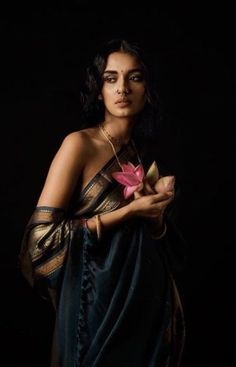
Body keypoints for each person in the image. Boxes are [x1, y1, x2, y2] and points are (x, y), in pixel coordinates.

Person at [19, 38, 186, 367]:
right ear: (99, 90)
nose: (123, 88)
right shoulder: (79, 145)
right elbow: (39, 241)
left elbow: (170, 251)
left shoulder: (143, 154)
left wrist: (154, 220)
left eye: (134, 78)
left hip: (145, 306)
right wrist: (126, 213)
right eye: (111, 79)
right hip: (94, 306)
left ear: (147, 88)